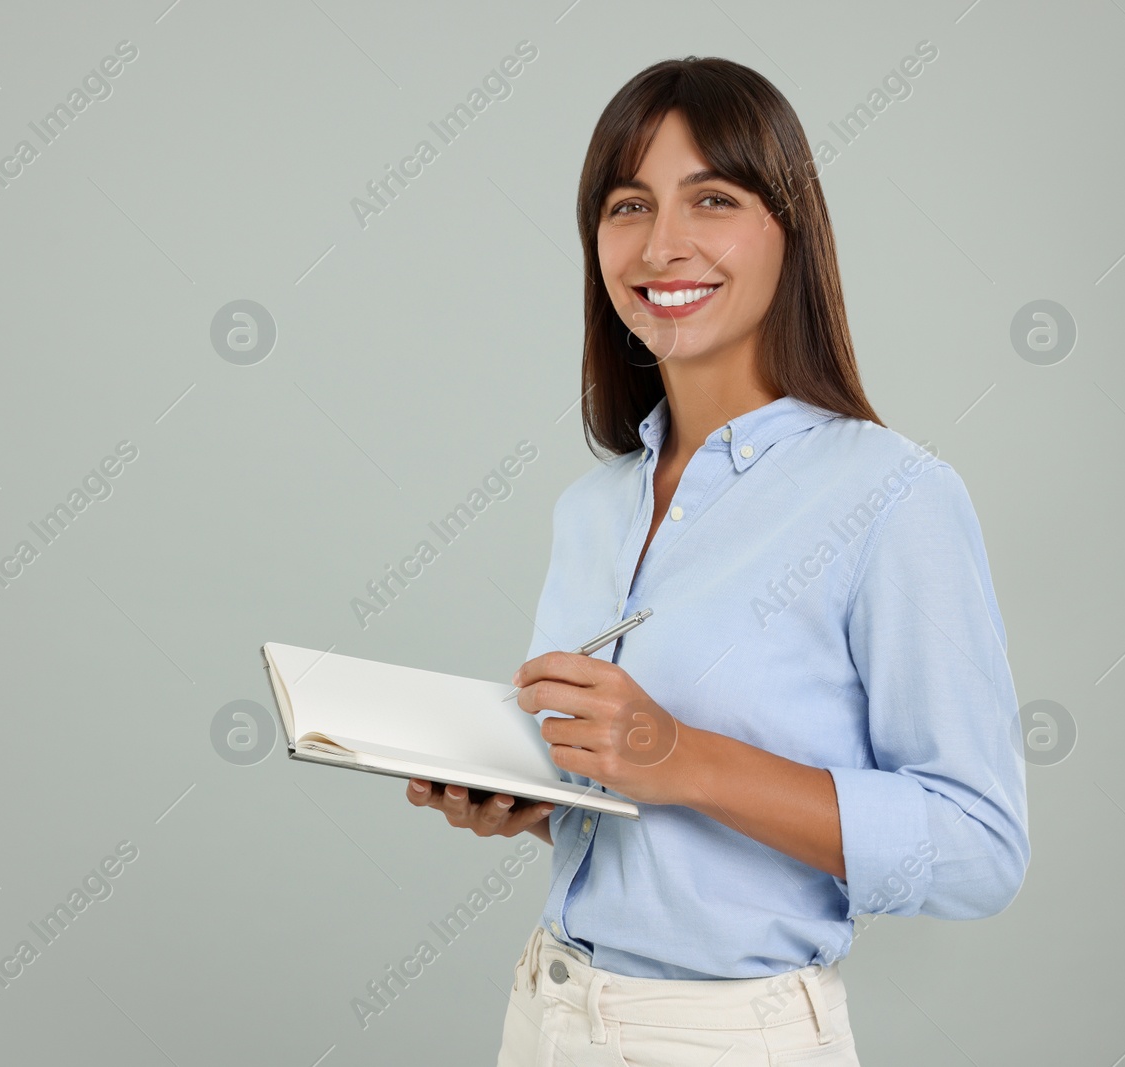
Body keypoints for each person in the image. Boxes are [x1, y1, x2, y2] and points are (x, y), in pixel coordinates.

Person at [405, 55, 1030, 1065]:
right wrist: (536, 796)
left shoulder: (892, 495)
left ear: (790, 229)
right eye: (626, 204)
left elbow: (978, 847)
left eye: (714, 198)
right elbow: (639, 806)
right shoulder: (592, 506)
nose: (662, 244)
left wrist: (683, 758)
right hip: (545, 1011)